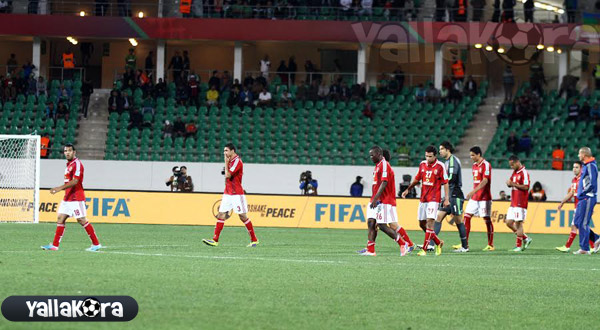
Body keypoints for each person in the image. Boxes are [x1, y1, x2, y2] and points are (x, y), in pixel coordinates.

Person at [41, 144, 102, 252]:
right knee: (60, 218)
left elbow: (75, 181)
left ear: (74, 152)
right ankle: (55, 245)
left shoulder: (77, 164)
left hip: (76, 197)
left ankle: (96, 244)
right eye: (65, 151)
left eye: (69, 150)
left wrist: (59, 188)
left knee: (81, 220)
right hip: (67, 197)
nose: (67, 152)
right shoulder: (69, 165)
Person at [357, 146, 411, 256]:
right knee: (371, 222)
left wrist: (376, 198)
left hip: (383, 201)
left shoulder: (384, 164)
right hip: (375, 199)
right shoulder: (377, 166)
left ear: (379, 154)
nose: (371, 157)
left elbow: (384, 182)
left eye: (372, 155)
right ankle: (370, 250)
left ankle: (403, 243)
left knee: (382, 225)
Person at [203, 144, 259, 248]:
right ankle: (215, 240)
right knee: (221, 215)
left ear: (232, 151)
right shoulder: (230, 161)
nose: (225, 153)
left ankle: (254, 239)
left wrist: (225, 161)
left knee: (242, 216)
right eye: (224, 151)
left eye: (226, 151)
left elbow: (228, 175)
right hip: (227, 193)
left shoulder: (237, 161)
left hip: (237, 194)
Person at [401, 146, 448, 256]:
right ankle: (438, 242)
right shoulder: (422, 164)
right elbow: (417, 179)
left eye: (430, 156)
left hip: (434, 199)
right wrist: (408, 189)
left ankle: (424, 250)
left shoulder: (440, 166)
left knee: (430, 224)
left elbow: (445, 182)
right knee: (421, 224)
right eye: (426, 156)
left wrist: (446, 198)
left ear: (435, 156)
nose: (428, 158)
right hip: (424, 198)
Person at [556, 161, 600, 253]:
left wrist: (590, 206)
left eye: (576, 167)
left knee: (577, 225)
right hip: (577, 206)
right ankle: (595, 242)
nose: (574, 169)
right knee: (580, 225)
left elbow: (589, 192)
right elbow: (572, 193)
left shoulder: (583, 179)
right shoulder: (574, 180)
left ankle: (571, 246)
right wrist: (562, 202)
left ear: (581, 169)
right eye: (573, 167)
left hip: (583, 205)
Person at [435, 142, 469, 253]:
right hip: (448, 195)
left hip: (455, 194)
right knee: (438, 217)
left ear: (448, 149)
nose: (440, 151)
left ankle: (465, 247)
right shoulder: (447, 162)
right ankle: (431, 244)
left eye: (441, 149)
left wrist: (437, 181)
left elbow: (451, 178)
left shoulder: (453, 161)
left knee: (459, 220)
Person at [464, 146, 495, 251]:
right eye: (470, 155)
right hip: (475, 198)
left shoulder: (486, 165)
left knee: (487, 220)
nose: (471, 157)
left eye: (473, 155)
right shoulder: (474, 166)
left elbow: (485, 181)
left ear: (478, 154)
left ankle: (490, 245)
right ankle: (465, 243)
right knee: (466, 217)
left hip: (484, 198)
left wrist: (472, 191)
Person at [572, 147, 600, 254]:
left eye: (579, 154)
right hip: (582, 198)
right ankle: (597, 238)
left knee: (583, 223)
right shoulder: (586, 166)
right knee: (578, 222)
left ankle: (584, 248)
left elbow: (592, 183)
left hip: (588, 197)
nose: (578, 155)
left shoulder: (591, 166)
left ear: (584, 154)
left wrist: (583, 193)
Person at [504, 155, 533, 252]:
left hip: (520, 202)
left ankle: (518, 246)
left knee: (518, 223)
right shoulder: (515, 172)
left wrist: (513, 184)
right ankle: (525, 238)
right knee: (508, 222)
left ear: (517, 162)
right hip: (513, 202)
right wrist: (509, 184)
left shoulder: (524, 173)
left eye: (512, 165)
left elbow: (526, 187)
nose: (511, 167)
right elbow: (512, 184)